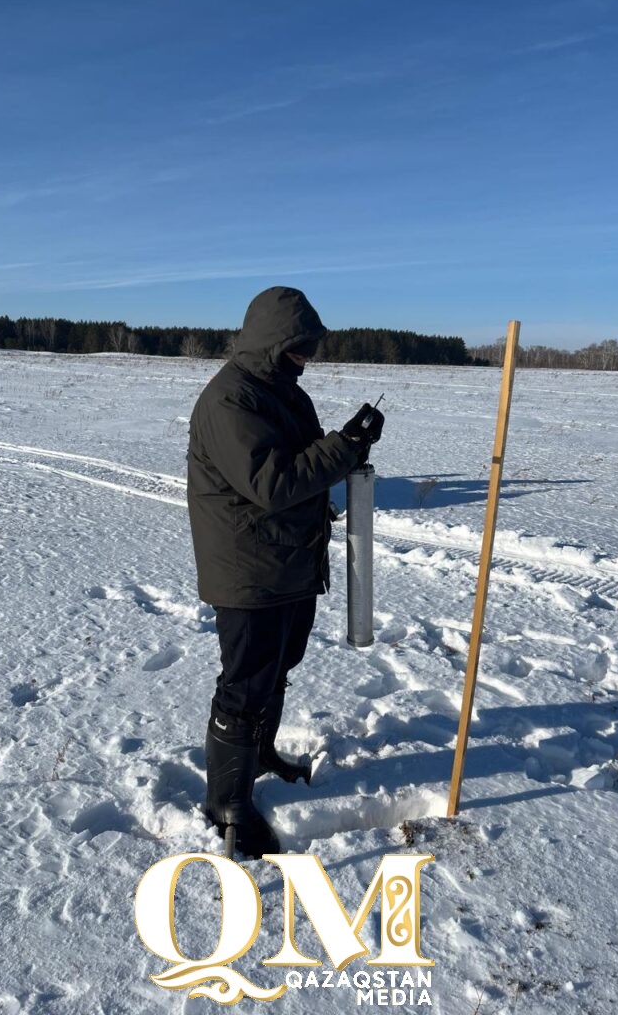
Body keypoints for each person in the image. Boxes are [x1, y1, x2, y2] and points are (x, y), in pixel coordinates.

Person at [186, 286, 384, 858]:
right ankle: (227, 804)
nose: (307, 358)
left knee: (277, 669)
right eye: (299, 347)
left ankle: (262, 753)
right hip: (249, 570)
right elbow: (272, 483)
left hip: (289, 560)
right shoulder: (230, 400)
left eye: (310, 347)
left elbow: (303, 464)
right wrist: (343, 446)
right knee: (245, 683)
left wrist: (347, 445)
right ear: (272, 342)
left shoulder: (283, 392)